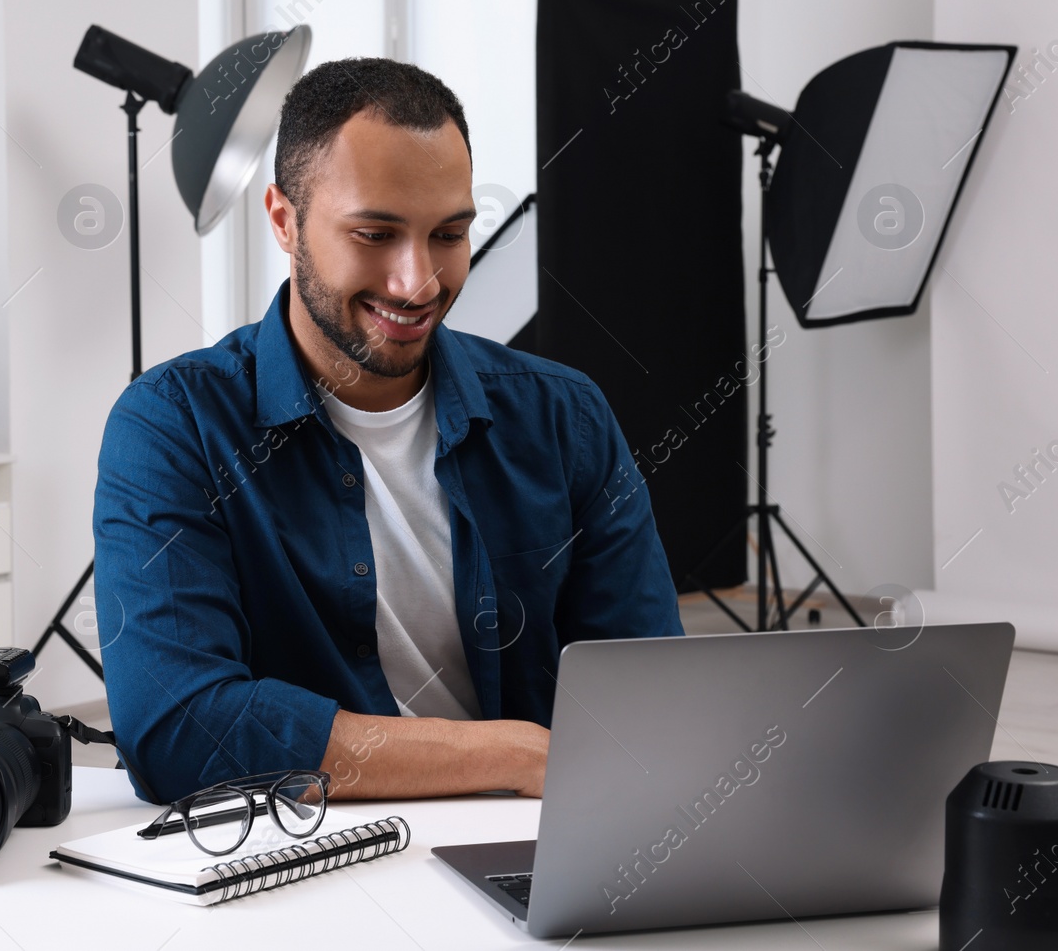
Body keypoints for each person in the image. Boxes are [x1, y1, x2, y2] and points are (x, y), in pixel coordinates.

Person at [93, 58, 683, 805]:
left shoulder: (565, 417)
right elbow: (179, 731)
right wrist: (512, 753)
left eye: (449, 234)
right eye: (375, 233)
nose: (419, 282)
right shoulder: (174, 426)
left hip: (536, 847)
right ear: (284, 218)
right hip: (309, 867)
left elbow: (656, 695)